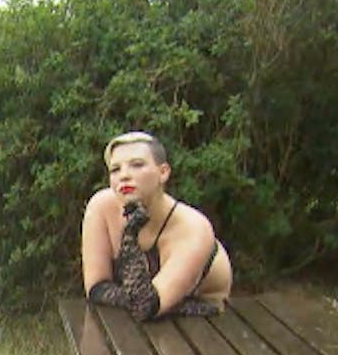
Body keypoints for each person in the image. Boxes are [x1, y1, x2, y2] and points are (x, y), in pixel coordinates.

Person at [81, 130, 233, 319]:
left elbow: (145, 306)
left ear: (163, 172)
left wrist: (129, 238)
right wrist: (134, 299)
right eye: (115, 169)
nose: (124, 176)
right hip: (144, 315)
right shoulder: (101, 206)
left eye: (137, 165)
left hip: (204, 320)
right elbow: (96, 289)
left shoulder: (193, 228)